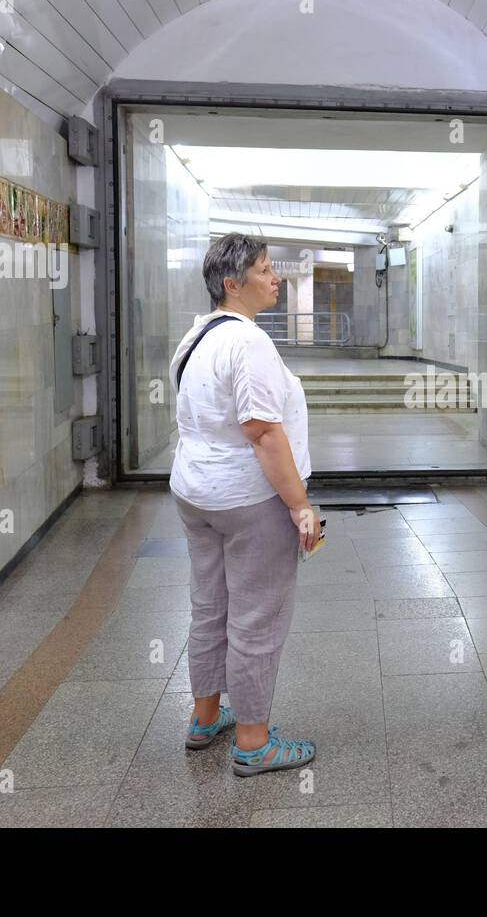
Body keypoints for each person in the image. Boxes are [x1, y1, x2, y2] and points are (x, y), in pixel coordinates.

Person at [168, 232, 321, 777]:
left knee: (210, 605)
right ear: (232, 284)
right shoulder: (249, 342)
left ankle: (206, 716)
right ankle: (254, 742)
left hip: (195, 493)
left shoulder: (195, 337)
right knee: (257, 616)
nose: (274, 277)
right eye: (263, 270)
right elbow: (262, 432)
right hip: (249, 499)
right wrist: (300, 505)